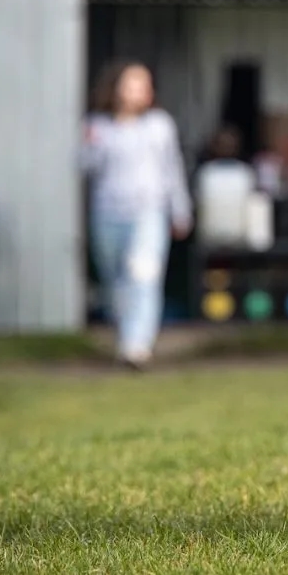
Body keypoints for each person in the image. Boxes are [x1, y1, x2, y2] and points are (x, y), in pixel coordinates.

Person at [81, 60, 194, 369]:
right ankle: (126, 339)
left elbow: (172, 170)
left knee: (143, 276)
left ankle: (137, 347)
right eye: (132, 84)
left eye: (144, 85)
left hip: (148, 212)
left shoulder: (159, 125)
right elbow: (85, 168)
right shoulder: (98, 127)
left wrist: (180, 209)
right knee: (115, 282)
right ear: (116, 88)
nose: (138, 91)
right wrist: (91, 146)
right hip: (107, 213)